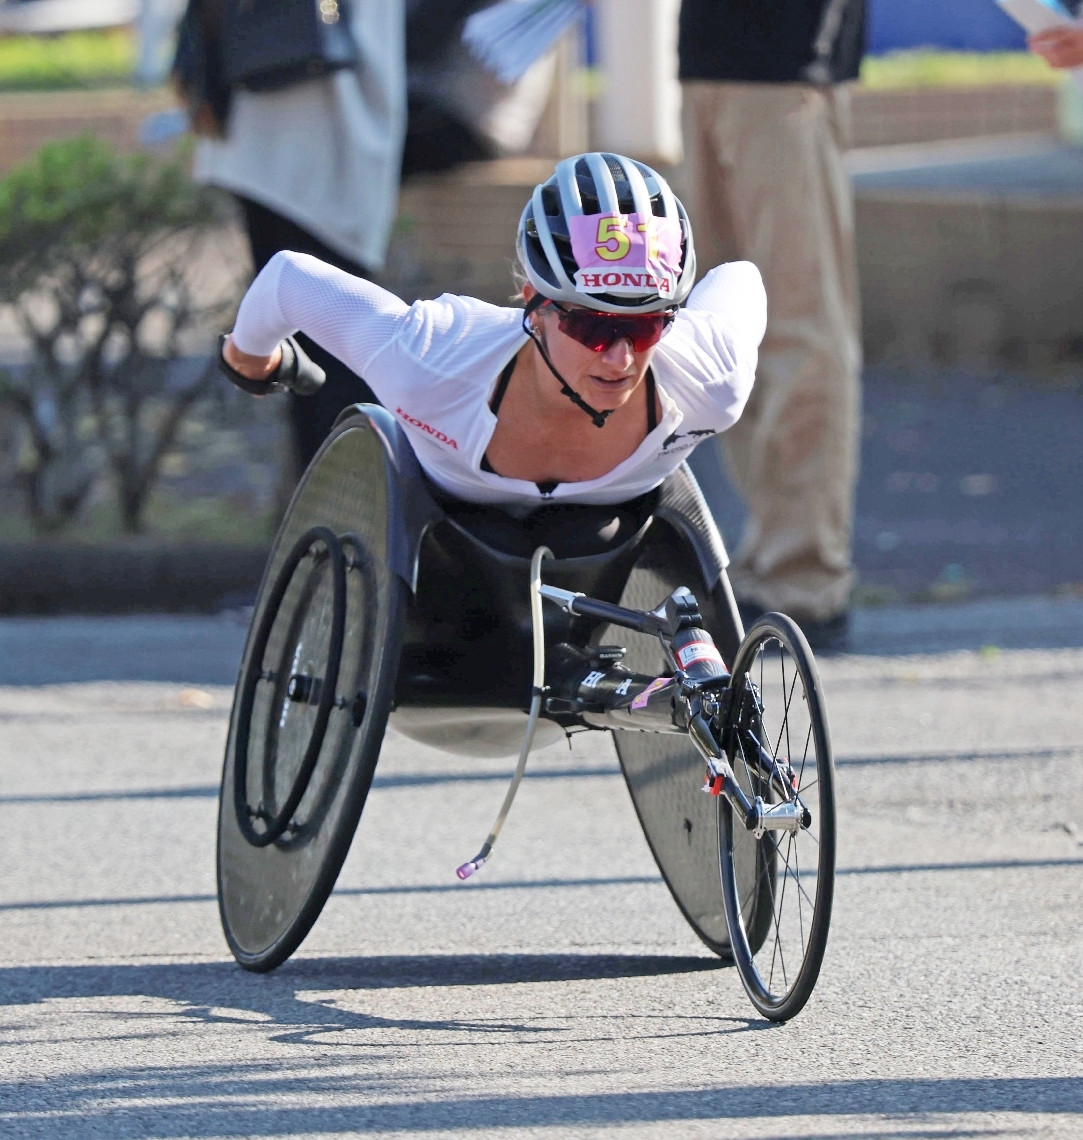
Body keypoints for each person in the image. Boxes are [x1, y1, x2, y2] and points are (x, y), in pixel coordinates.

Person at [220, 152, 765, 651]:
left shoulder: (709, 377)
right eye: (593, 327)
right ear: (534, 302)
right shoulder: (432, 357)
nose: (620, 358)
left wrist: (250, 361)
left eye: (646, 326)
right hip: (451, 541)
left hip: (612, 538)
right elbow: (287, 279)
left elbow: (742, 276)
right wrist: (252, 359)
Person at [678, 0, 866, 650]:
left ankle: (803, 578)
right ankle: (768, 562)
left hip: (787, 65)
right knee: (721, 324)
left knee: (799, 326)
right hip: (711, 56)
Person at [186, 0, 407, 470]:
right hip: (299, 124)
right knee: (334, 364)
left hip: (278, 124)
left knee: (323, 363)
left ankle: (336, 515)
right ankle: (343, 515)